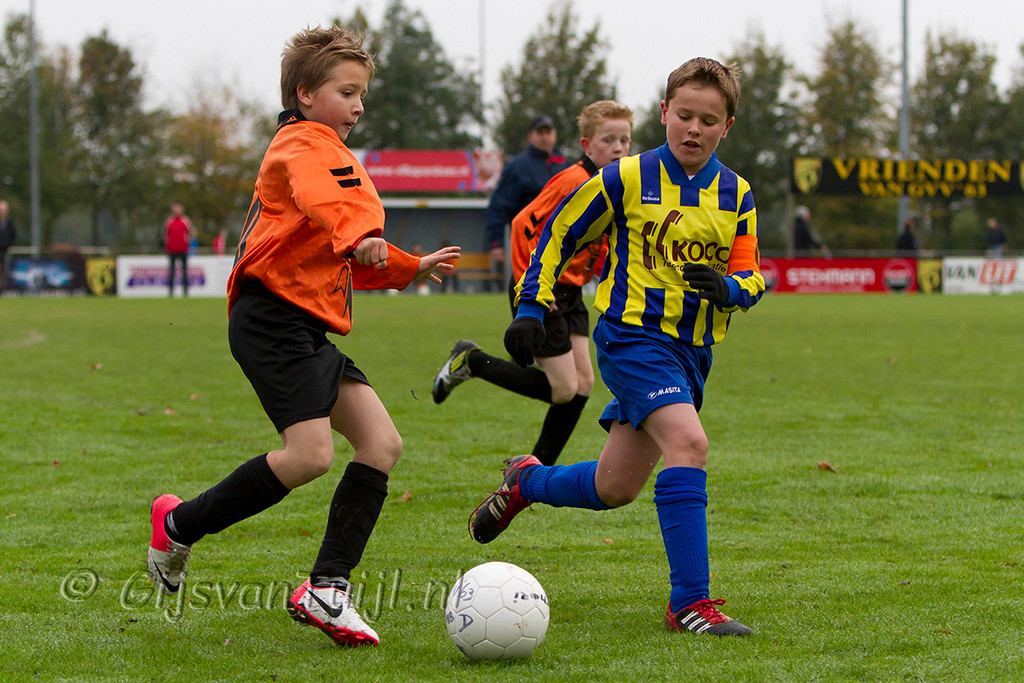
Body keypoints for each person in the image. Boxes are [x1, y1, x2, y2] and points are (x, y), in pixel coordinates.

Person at [145, 26, 460, 648]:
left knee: (381, 443)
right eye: (347, 92)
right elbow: (337, 205)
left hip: (302, 324)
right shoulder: (304, 145)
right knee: (311, 455)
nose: (359, 105)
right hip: (271, 320)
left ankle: (327, 587)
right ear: (305, 94)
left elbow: (335, 253)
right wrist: (362, 234)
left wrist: (404, 264)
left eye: (362, 94)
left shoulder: (320, 145)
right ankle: (178, 525)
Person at [469, 58, 765, 637]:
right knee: (689, 444)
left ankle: (525, 481)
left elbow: (753, 276)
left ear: (726, 126)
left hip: (692, 355)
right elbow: (557, 233)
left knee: (615, 488)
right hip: (632, 340)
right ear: (664, 112)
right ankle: (691, 604)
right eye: (684, 115)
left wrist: (729, 288)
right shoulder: (625, 177)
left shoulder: (737, 194)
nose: (694, 129)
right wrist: (531, 307)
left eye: (709, 120)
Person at [432, 100, 634, 466]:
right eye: (609, 140)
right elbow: (522, 224)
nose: (619, 148)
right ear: (587, 145)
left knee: (583, 385)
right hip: (541, 288)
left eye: (625, 140)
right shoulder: (573, 180)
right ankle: (472, 361)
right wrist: (534, 287)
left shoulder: (614, 184)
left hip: (571, 292)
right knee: (564, 388)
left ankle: (534, 475)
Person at [483, 114, 571, 291]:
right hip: (529, 243)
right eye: (540, 132)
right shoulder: (518, 166)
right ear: (530, 136)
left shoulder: (566, 166)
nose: (545, 137)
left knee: (564, 294)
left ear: (554, 135)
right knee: (530, 290)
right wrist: (496, 243)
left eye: (548, 132)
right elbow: (499, 206)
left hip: (563, 244)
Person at [163, 203, 195, 297]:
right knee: (172, 271)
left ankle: (185, 291)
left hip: (183, 249)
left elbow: (191, 232)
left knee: (184, 271)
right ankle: (171, 291)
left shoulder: (185, 220)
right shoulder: (169, 221)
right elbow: (165, 233)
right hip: (172, 250)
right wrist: (167, 244)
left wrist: (188, 242)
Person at [0, 200, 15, 289]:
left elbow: (13, 235)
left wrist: (8, 244)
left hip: (5, 251)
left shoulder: (9, 223)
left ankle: (3, 288)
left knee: (6, 270)